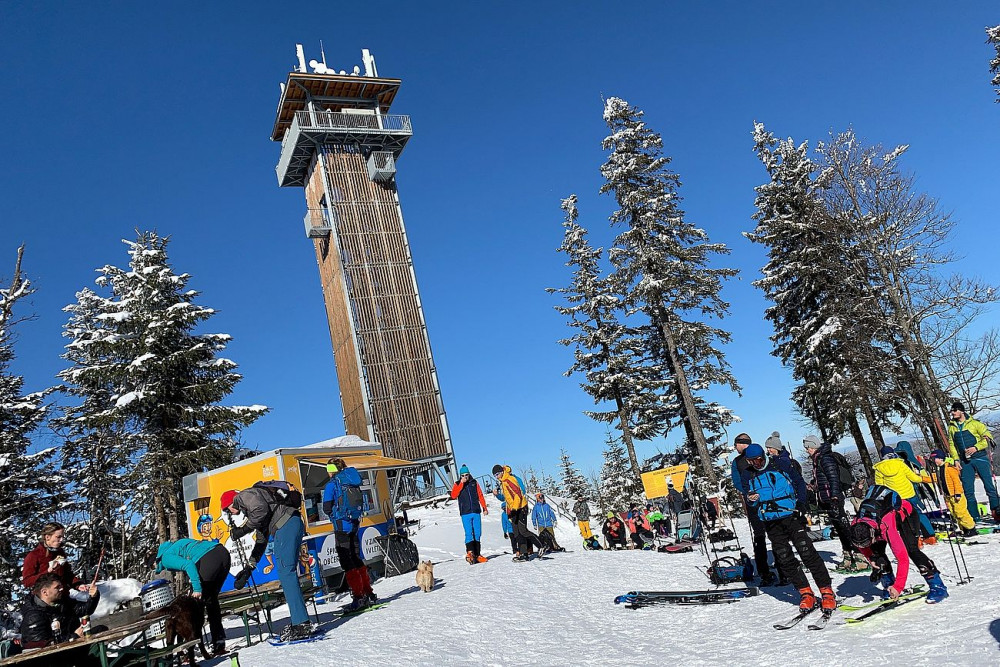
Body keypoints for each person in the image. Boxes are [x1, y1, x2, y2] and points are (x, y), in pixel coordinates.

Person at [738, 443, 836, 614]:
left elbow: (798, 482)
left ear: (764, 456)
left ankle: (826, 591)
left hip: (791, 515)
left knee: (807, 552)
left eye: (758, 460)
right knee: (784, 557)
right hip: (770, 520)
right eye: (751, 461)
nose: (755, 464)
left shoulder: (779, 464)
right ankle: (805, 592)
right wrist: (751, 499)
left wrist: (802, 504)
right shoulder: (748, 474)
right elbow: (749, 498)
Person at [222, 479, 312, 643]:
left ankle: (301, 623)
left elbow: (261, 510)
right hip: (291, 523)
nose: (230, 514)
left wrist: (242, 530)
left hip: (286, 526)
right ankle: (301, 621)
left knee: (286, 572)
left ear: (230, 503)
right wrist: (249, 568)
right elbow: (261, 540)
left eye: (226, 510)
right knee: (287, 573)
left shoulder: (243, 496)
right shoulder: (255, 507)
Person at [849, 485, 948, 604]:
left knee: (912, 550)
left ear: (872, 534)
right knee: (877, 555)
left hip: (906, 515)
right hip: (879, 524)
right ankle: (889, 586)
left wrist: (898, 587)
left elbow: (902, 558)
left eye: (868, 542)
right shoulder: (855, 525)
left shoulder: (886, 526)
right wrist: (871, 559)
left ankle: (938, 586)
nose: (866, 545)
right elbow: (861, 546)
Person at [154, 538, 231, 656]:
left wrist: (197, 589)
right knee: (211, 600)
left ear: (156, 560)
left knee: (194, 607)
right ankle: (218, 642)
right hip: (223, 553)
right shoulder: (176, 546)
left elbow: (188, 564)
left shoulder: (165, 558)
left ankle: (188, 649)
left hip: (209, 558)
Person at [320, 457, 376, 610]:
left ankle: (358, 597)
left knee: (346, 560)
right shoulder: (352, 481)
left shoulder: (332, 484)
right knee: (356, 557)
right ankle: (368, 592)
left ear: (331, 470)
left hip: (341, 525)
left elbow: (326, 508)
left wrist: (334, 515)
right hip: (355, 523)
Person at [803, 435, 865, 571]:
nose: (807, 450)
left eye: (808, 447)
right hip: (828, 498)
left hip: (833, 499)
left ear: (813, 446)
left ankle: (860, 556)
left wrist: (835, 497)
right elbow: (824, 479)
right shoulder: (818, 459)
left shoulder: (825, 459)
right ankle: (848, 555)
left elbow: (833, 479)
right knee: (839, 528)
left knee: (844, 528)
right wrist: (815, 486)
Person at [19, 572, 101, 665]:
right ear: (45, 592)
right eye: (57, 587)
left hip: (69, 649)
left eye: (61, 586)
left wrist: (93, 596)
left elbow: (83, 610)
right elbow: (43, 647)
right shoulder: (33, 616)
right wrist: (74, 637)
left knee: (100, 631)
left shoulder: (61, 602)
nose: (61, 589)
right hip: (52, 660)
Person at [731, 433, 778, 586]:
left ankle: (764, 572)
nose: (735, 448)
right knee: (775, 532)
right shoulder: (761, 455)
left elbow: (737, 482)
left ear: (741, 443)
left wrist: (748, 492)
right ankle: (782, 568)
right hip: (770, 501)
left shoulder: (737, 462)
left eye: (736, 444)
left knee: (759, 536)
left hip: (753, 503)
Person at [948, 401, 1000, 522]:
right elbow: (952, 445)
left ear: (961, 411)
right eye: (952, 411)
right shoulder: (952, 427)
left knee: (989, 486)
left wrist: (976, 447)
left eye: (955, 410)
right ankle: (974, 517)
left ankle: (996, 512)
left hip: (980, 458)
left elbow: (988, 438)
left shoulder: (975, 424)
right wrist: (956, 459)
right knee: (968, 490)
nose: (953, 413)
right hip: (965, 461)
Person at [873, 446, 935, 543]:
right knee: (918, 513)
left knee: (904, 519)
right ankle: (930, 536)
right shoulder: (900, 464)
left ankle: (916, 540)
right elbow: (914, 478)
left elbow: (880, 486)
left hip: (896, 498)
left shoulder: (879, 469)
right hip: (910, 494)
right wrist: (925, 479)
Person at [492, 464, 546, 561]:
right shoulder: (503, 482)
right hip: (514, 510)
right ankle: (523, 554)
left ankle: (542, 545)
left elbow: (518, 495)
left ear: (502, 472)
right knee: (517, 533)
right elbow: (507, 499)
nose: (497, 477)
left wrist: (514, 509)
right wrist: (498, 496)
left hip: (520, 508)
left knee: (523, 531)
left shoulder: (509, 479)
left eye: (497, 474)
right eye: (495, 475)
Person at [22, 523, 87, 601]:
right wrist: (48, 571)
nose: (61, 540)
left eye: (62, 537)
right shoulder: (34, 555)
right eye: (58, 537)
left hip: (63, 598)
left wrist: (78, 585)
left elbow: (67, 575)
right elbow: (27, 582)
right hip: (43, 601)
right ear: (47, 537)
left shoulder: (60, 553)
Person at [928, 450, 978, 537]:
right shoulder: (939, 470)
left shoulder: (949, 468)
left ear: (940, 458)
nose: (933, 461)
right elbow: (933, 479)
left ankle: (971, 528)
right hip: (948, 496)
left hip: (956, 495)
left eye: (934, 459)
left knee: (961, 512)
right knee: (954, 513)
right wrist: (920, 478)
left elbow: (956, 482)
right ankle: (964, 528)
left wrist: (958, 493)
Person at [450, 464, 489, 564]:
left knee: (477, 533)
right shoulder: (457, 484)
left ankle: (477, 554)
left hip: (475, 511)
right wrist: (461, 484)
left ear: (469, 474)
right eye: (463, 475)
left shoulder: (474, 483)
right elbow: (453, 495)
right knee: (469, 533)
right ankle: (470, 553)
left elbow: (480, 495)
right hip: (465, 513)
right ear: (460, 476)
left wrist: (484, 507)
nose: (465, 477)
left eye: (466, 475)